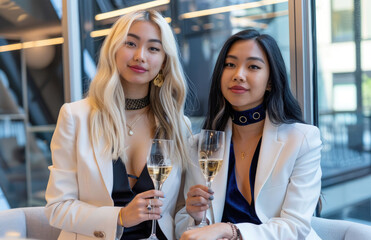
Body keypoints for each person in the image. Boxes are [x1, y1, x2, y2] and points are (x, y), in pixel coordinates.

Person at [45, 10, 191, 240]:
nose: (140, 56)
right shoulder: (75, 116)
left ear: (164, 62)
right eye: (130, 43)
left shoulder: (179, 125)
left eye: (153, 48)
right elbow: (57, 208)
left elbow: (180, 210)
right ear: (113, 50)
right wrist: (120, 217)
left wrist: (198, 214)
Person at [175, 29, 322, 240]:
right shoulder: (199, 145)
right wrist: (196, 217)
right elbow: (183, 228)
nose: (238, 75)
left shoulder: (302, 140)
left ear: (270, 81)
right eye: (230, 64)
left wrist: (231, 230)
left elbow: (295, 227)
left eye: (253, 66)